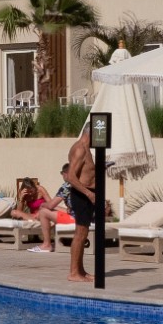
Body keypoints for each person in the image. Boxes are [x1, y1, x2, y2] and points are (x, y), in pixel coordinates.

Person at [60, 117, 103, 282]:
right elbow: (71, 177)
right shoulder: (80, 149)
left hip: (86, 194)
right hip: (82, 195)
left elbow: (86, 172)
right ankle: (73, 273)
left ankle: (81, 271)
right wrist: (89, 194)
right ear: (90, 133)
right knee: (80, 234)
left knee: (83, 234)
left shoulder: (86, 149)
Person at [12, 176, 62, 252]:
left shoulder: (40, 189)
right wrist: (21, 198)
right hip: (33, 216)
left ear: (34, 187)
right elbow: (19, 211)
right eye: (28, 192)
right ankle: (36, 222)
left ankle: (43, 222)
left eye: (31, 191)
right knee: (14, 212)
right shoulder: (23, 193)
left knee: (45, 213)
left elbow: (50, 203)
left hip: (44, 213)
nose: (30, 194)